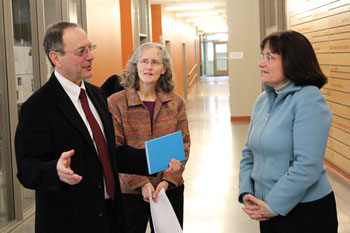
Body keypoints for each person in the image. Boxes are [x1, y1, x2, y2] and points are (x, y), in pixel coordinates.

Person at [15, 22, 180, 233]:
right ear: (56, 58)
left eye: (90, 48)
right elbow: (27, 169)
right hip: (69, 222)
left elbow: (111, 153)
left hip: (110, 216)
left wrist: (158, 158)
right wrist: (55, 170)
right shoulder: (38, 107)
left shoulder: (97, 95)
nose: (90, 56)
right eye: (80, 51)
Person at [238, 30, 338, 233]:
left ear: (292, 62)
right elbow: (248, 154)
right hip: (266, 210)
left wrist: (273, 206)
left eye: (269, 57)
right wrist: (247, 191)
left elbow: (307, 165)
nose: (260, 63)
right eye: (261, 56)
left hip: (306, 213)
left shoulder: (309, 99)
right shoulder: (262, 100)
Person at [108, 42, 190, 233]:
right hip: (129, 192)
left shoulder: (175, 103)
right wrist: (142, 184)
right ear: (135, 65)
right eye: (144, 61)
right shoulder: (116, 103)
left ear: (163, 69)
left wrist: (167, 181)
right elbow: (114, 149)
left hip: (168, 189)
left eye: (155, 62)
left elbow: (184, 145)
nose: (149, 67)